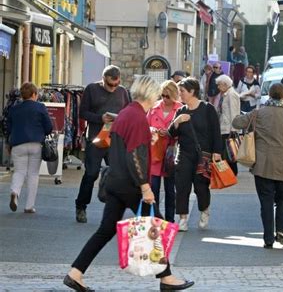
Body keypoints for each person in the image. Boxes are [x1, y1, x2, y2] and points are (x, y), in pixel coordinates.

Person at [63, 75, 194, 292]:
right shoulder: (137, 117)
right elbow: (135, 156)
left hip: (115, 180)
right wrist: (145, 187)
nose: (158, 99)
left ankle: (75, 273)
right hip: (130, 184)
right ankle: (167, 278)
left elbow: (124, 147)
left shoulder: (126, 113)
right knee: (157, 225)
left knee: (105, 230)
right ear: (151, 94)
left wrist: (147, 139)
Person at [232, 83, 283, 249]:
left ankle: (268, 237)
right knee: (282, 198)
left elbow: (236, 123)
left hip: (262, 165)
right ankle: (281, 229)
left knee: (266, 201)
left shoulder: (258, 113)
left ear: (269, 95)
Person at [75, 65, 130, 223]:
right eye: (110, 85)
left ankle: (114, 211)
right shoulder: (92, 89)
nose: (113, 88)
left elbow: (128, 113)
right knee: (91, 174)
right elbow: (82, 113)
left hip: (116, 140)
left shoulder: (123, 92)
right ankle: (81, 207)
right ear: (103, 79)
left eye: (116, 84)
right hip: (96, 139)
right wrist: (100, 118)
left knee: (118, 175)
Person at [168, 77, 222, 232]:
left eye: (182, 91)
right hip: (184, 154)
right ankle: (183, 219)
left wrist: (217, 152)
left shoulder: (207, 109)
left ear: (192, 91)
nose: (180, 94)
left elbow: (216, 133)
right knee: (182, 186)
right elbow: (171, 133)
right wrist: (177, 121)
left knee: (201, 187)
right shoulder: (180, 110)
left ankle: (204, 209)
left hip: (203, 155)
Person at [7, 82, 53, 214]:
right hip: (35, 144)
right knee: (33, 174)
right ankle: (29, 206)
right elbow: (48, 127)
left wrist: (9, 143)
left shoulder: (14, 109)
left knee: (19, 171)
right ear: (34, 94)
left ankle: (15, 192)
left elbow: (9, 128)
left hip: (17, 144)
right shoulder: (40, 107)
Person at [147, 80, 183, 222]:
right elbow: (146, 126)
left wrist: (170, 133)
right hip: (155, 151)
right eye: (162, 95)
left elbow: (185, 131)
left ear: (174, 95)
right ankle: (154, 219)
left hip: (171, 153)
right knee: (153, 188)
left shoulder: (180, 109)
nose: (165, 99)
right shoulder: (154, 108)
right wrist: (153, 130)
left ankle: (169, 220)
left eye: (168, 96)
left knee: (170, 190)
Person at [215, 75, 241, 175]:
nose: (218, 87)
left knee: (229, 152)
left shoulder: (231, 94)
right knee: (226, 151)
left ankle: (233, 172)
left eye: (219, 85)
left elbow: (234, 113)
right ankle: (229, 172)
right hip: (223, 127)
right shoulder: (225, 94)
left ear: (225, 84)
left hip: (228, 128)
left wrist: (233, 130)